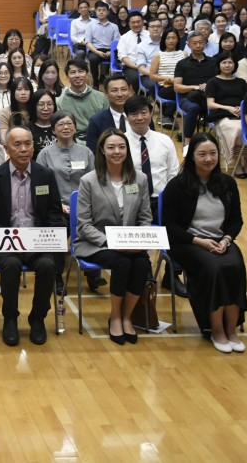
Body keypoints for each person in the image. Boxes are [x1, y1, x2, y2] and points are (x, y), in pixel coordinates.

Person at [0, 126, 64, 347]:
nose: (24, 149)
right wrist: (8, 238)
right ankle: (10, 318)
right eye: (17, 145)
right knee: (11, 265)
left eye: (28, 144)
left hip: (38, 241)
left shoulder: (45, 175)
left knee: (47, 265)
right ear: (6, 148)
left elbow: (54, 212)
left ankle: (37, 318)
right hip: (6, 242)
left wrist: (50, 236)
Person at [164, 133, 247, 353]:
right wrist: (201, 242)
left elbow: (236, 220)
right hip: (189, 242)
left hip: (221, 240)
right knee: (214, 268)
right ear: (192, 157)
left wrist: (227, 239)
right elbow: (170, 226)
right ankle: (215, 329)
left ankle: (232, 329)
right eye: (202, 154)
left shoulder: (227, 183)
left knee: (235, 266)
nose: (208, 159)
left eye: (212, 153)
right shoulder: (178, 185)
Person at [75, 129, 153, 345]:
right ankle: (115, 317)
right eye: (111, 147)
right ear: (102, 150)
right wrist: (113, 242)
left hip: (132, 243)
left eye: (121, 147)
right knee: (122, 263)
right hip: (97, 243)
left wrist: (140, 240)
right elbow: (84, 225)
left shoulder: (140, 179)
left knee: (141, 264)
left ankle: (127, 317)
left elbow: (145, 217)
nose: (117, 151)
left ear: (127, 150)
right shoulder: (89, 181)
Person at [206, 52, 247, 178]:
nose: (227, 65)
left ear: (235, 65)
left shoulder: (241, 82)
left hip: (241, 114)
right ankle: (236, 164)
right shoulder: (213, 82)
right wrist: (229, 108)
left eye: (230, 62)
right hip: (222, 114)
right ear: (219, 64)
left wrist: (241, 108)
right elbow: (210, 104)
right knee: (237, 130)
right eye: (224, 62)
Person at [174, 32, 217, 155]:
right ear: (188, 45)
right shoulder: (182, 63)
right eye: (194, 43)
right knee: (194, 108)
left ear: (205, 44)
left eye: (201, 42)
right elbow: (177, 87)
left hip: (209, 96)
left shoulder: (213, 62)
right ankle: (188, 143)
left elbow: (219, 80)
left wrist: (209, 86)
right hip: (188, 98)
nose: (198, 45)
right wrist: (195, 87)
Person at [56, 58, 108, 142]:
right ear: (67, 76)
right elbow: (62, 130)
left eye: (81, 71)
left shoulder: (101, 97)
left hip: (99, 141)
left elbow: (107, 125)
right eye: (73, 72)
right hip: (73, 143)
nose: (77, 75)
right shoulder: (60, 102)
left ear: (87, 74)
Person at [85, 73, 132, 151]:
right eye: (114, 90)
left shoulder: (141, 118)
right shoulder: (96, 121)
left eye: (123, 89)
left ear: (130, 92)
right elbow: (92, 152)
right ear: (106, 94)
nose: (120, 94)